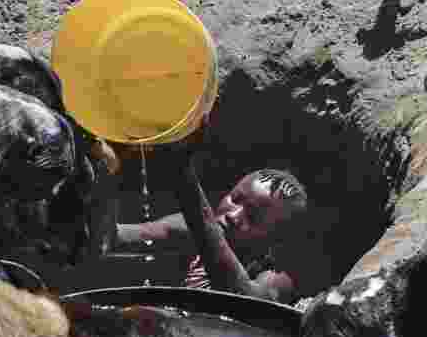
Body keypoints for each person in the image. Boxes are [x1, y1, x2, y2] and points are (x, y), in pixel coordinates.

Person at [116, 121, 309, 304]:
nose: (233, 216)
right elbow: (112, 238)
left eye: (253, 217)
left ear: (274, 242)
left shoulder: (276, 279)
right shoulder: (192, 228)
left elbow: (243, 298)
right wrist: (107, 168)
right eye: (235, 199)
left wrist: (182, 172)